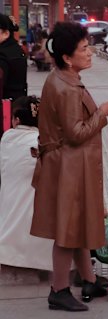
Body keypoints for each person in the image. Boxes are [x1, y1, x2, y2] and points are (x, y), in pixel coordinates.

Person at [30, 22, 108, 312]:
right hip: (66, 167)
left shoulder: (65, 79)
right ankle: (59, 290)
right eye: (83, 49)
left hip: (71, 165)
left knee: (77, 225)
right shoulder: (65, 88)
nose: (90, 52)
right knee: (67, 231)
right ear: (67, 58)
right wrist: (103, 113)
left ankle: (89, 279)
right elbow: (76, 133)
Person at [0, 96, 54, 271]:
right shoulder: (46, 142)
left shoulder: (7, 138)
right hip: (46, 242)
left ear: (16, 120)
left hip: (8, 242)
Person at [0, 13, 27, 100]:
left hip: (5, 108)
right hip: (18, 104)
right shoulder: (17, 49)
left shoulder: (2, 55)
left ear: (5, 33)